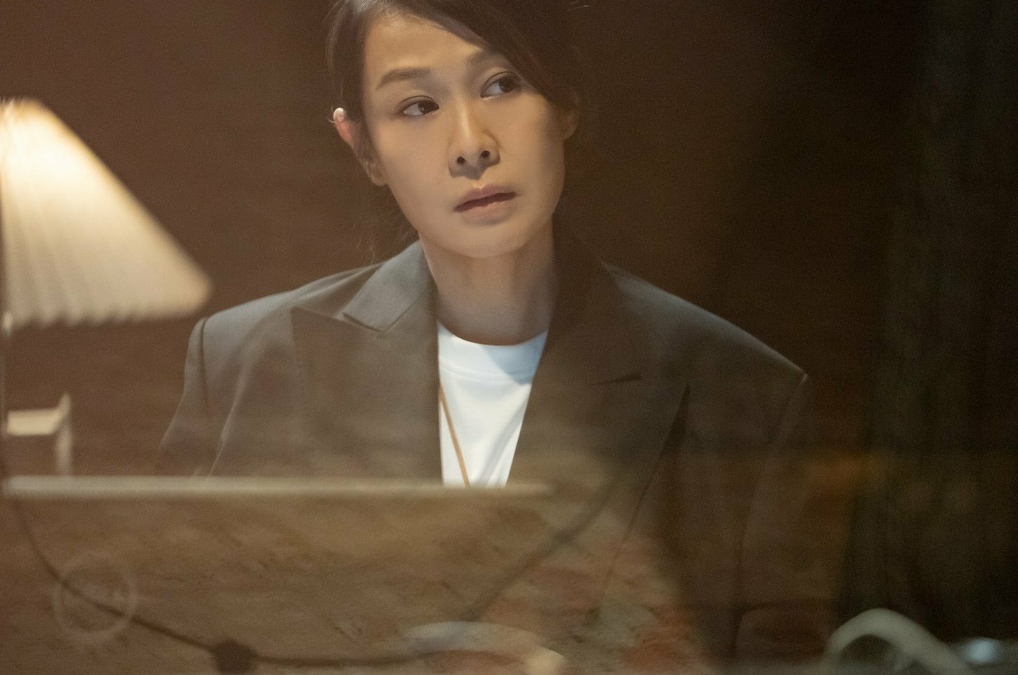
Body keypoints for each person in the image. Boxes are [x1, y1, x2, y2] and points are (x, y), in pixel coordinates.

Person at [160, 0, 834, 667]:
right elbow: (164, 637)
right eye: (417, 106)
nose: (472, 144)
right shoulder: (247, 365)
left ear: (565, 100)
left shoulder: (741, 392)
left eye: (501, 84)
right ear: (362, 146)